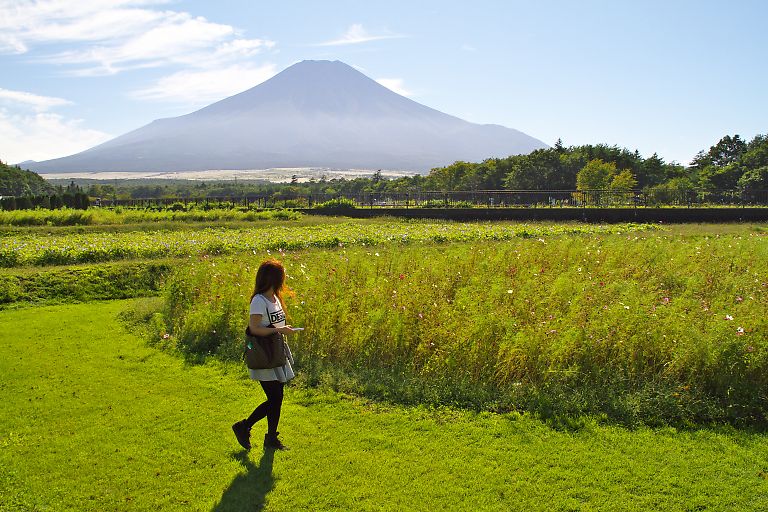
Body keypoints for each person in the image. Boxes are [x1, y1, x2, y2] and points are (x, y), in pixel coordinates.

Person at [232, 258, 301, 451]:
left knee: (277, 397)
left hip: (276, 352)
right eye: (282, 276)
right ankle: (244, 426)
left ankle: (270, 437)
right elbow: (254, 329)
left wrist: (284, 329)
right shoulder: (259, 301)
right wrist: (277, 331)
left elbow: (274, 325)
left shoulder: (275, 298)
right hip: (264, 354)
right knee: (275, 398)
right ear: (275, 278)